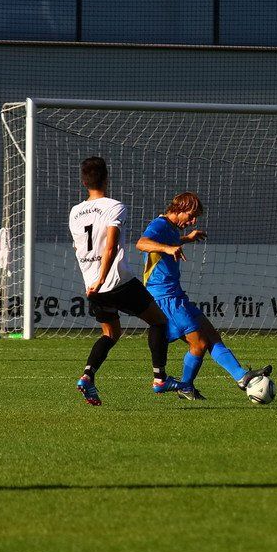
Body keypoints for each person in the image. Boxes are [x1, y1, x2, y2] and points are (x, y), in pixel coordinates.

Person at [68, 157, 181, 406]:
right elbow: (110, 247)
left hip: (92, 286)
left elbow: (79, 248)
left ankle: (87, 377)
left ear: (84, 182)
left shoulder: (75, 212)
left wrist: (93, 281)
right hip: (116, 282)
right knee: (159, 322)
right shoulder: (115, 206)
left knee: (111, 333)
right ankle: (160, 378)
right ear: (106, 179)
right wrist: (102, 278)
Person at [137, 191, 271, 400]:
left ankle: (241, 376)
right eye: (190, 216)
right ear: (179, 209)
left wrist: (186, 239)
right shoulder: (159, 224)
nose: (192, 221)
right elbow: (142, 243)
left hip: (176, 294)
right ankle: (186, 386)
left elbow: (169, 242)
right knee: (199, 343)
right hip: (165, 298)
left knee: (212, 336)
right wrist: (168, 248)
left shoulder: (170, 228)